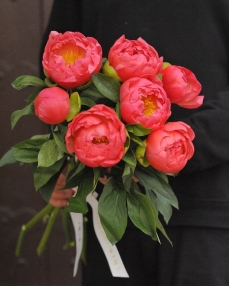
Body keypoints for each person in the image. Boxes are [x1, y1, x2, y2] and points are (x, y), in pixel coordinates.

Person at [41, 0, 229, 285]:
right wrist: (64, 156)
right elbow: (57, 59)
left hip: (206, 210)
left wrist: (176, 145)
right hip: (112, 202)